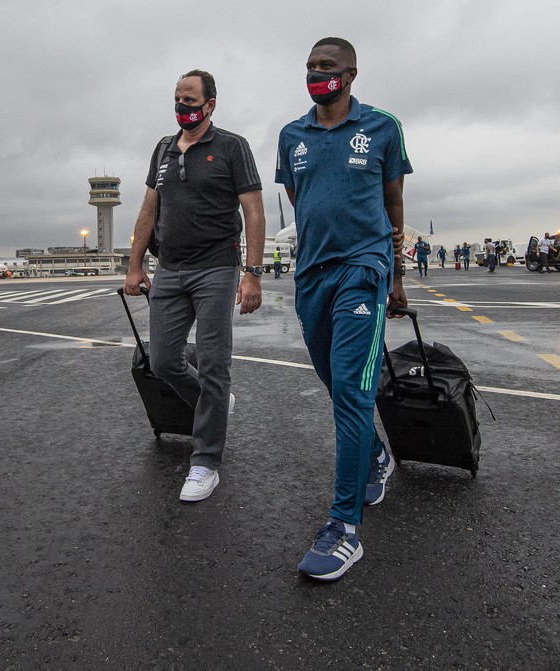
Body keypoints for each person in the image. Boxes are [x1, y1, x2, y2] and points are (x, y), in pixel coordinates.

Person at [276, 37, 412, 581]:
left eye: (326, 66)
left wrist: (396, 276)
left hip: (365, 269)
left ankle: (343, 529)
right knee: (335, 381)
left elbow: (394, 202)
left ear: (351, 73)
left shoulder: (383, 127)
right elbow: (300, 201)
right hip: (313, 274)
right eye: (310, 66)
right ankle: (376, 455)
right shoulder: (292, 136)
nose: (316, 74)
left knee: (352, 395)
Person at [123, 69, 265, 503]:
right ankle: (216, 402)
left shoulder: (231, 147)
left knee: (214, 361)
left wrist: (252, 272)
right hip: (170, 269)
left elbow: (254, 213)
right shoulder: (163, 149)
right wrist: (134, 265)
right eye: (177, 99)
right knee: (163, 361)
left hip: (216, 269)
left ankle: (205, 462)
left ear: (210, 104)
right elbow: (149, 208)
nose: (182, 106)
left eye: (190, 99)